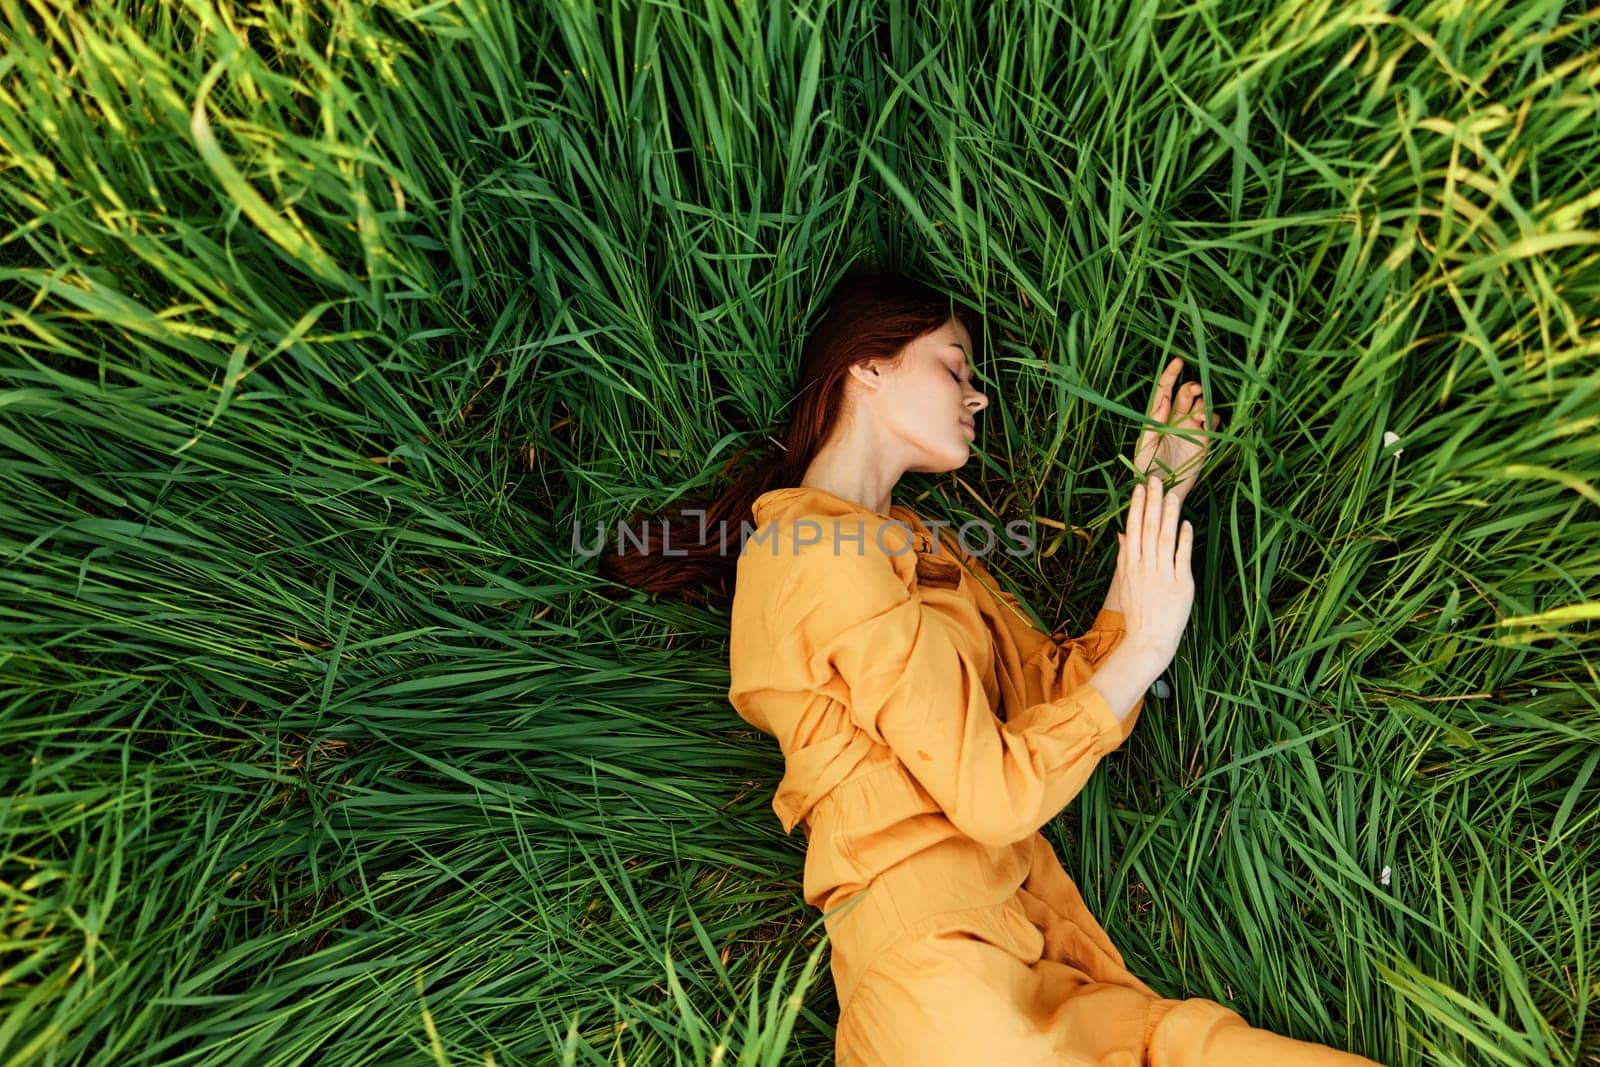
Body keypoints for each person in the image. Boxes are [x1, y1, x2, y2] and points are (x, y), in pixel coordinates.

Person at [601, 269, 1382, 1065]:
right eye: (954, 366)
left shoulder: (914, 544)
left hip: (1031, 953)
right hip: (937, 973)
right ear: (867, 367)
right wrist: (1147, 648)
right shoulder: (812, 551)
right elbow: (994, 791)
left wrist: (1158, 498)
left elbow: (1054, 696)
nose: (976, 398)